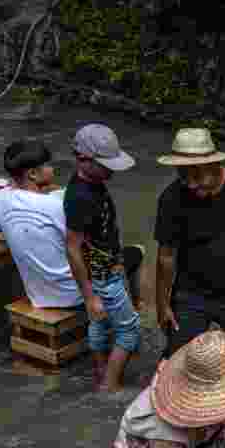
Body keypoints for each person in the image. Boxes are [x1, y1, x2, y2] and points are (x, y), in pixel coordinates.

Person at [154, 128, 225, 359]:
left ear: (215, 165)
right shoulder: (171, 198)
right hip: (191, 292)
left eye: (197, 177)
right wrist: (163, 304)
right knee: (177, 358)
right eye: (183, 176)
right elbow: (166, 256)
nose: (190, 185)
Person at [64, 124, 143, 392]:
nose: (110, 170)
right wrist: (89, 296)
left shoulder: (90, 183)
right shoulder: (80, 197)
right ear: (83, 160)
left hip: (105, 268)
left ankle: (100, 371)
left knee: (99, 324)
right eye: (104, 164)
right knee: (130, 329)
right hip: (102, 275)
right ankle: (109, 385)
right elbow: (72, 247)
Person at [0, 140, 82, 310]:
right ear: (32, 174)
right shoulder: (56, 205)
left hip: (39, 297)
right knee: (134, 254)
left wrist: (15, 242)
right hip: (76, 296)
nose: (52, 169)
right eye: (48, 165)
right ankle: (137, 311)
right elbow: (82, 247)